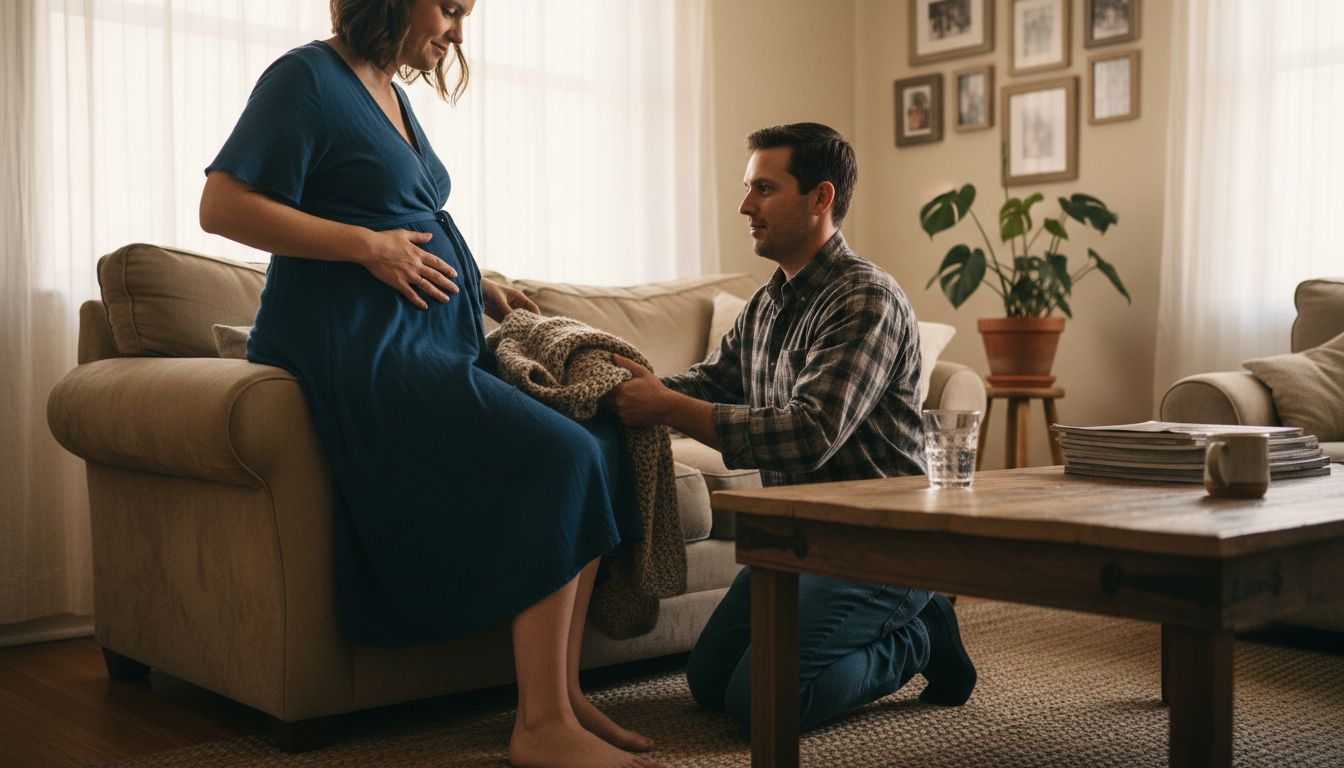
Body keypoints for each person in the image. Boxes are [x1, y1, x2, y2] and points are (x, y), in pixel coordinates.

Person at [198, 2, 661, 767]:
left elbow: (405, 217)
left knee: (601, 438)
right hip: (362, 347)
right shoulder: (306, 77)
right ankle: (539, 728)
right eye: (449, 7)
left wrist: (480, 289)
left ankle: (565, 696)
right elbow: (222, 205)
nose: (455, 31)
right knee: (561, 457)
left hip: (433, 338)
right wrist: (366, 249)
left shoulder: (387, 88)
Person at [603, 123, 977, 733]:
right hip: (798, 542)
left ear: (820, 197)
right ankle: (910, 622)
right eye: (748, 188)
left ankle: (918, 640)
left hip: (879, 541)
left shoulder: (865, 298)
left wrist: (664, 407)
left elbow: (809, 432)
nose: (745, 206)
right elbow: (710, 383)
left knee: (759, 703)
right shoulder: (766, 304)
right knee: (708, 684)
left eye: (764, 189)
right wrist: (628, 387)